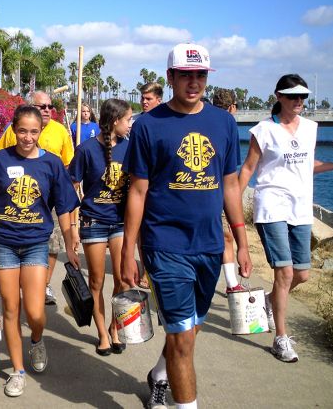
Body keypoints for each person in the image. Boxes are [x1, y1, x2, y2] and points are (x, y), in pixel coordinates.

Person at [121, 43, 252, 409]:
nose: (193, 83)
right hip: (165, 244)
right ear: (171, 77)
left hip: (208, 245)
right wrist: (129, 250)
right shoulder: (148, 126)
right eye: (186, 75)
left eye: (200, 75)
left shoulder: (223, 122)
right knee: (182, 340)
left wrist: (242, 242)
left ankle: (159, 375)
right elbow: (138, 189)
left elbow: (229, 185)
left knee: (190, 330)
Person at [238, 74, 333, 363]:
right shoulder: (263, 130)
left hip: (300, 207)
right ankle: (280, 338)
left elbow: (308, 166)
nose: (299, 101)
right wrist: (231, 202)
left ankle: (272, 300)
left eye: (303, 97)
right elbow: (249, 169)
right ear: (279, 97)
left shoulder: (311, 128)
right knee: (284, 273)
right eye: (293, 96)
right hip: (271, 205)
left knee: (302, 274)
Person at [0, 105, 80, 398]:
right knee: (10, 308)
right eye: (22, 130)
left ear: (41, 131)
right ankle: (17, 371)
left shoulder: (53, 164)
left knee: (34, 312)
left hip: (36, 242)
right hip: (5, 242)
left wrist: (71, 238)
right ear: (13, 129)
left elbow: (63, 204)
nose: (27, 137)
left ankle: (35, 339)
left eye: (34, 131)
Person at [0, 91, 74, 305]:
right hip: (10, 222)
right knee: (11, 303)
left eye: (49, 106)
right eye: (42, 106)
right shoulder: (8, 140)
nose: (47, 109)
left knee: (52, 245)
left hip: (48, 199)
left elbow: (67, 163)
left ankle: (42, 286)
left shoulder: (60, 131)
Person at [69, 98, 132, 356]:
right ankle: (103, 334)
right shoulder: (85, 150)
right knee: (96, 281)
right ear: (115, 121)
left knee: (122, 281)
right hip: (93, 221)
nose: (131, 124)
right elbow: (72, 185)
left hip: (120, 222)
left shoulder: (131, 148)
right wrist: (73, 227)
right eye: (128, 119)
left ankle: (115, 328)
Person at [211, 88, 245, 293]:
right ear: (232, 107)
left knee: (224, 237)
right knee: (226, 237)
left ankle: (231, 282)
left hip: (210, 192)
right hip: (219, 193)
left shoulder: (207, 120)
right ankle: (232, 283)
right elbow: (231, 173)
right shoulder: (229, 123)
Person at [135, 81, 164, 290]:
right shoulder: (137, 123)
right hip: (140, 185)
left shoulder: (165, 121)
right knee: (141, 231)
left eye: (148, 99)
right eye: (142, 98)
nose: (144, 102)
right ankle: (145, 269)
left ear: (159, 100)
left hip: (161, 188)